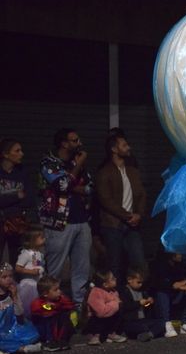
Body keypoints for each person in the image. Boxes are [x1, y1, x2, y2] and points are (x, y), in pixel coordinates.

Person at [39, 128, 93, 306]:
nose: (80, 143)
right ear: (64, 143)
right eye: (75, 140)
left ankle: (79, 310)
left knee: (82, 269)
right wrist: (77, 169)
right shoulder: (49, 163)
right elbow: (61, 185)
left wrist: (74, 181)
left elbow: (90, 187)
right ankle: (50, 309)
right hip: (59, 222)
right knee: (54, 269)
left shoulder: (76, 163)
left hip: (81, 220)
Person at [96, 131, 147, 282]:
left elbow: (142, 194)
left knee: (138, 261)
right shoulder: (105, 172)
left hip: (132, 225)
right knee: (115, 264)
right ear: (114, 149)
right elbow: (106, 200)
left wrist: (139, 214)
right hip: (113, 225)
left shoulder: (132, 171)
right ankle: (115, 299)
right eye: (124, 145)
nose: (128, 147)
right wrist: (127, 215)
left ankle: (138, 297)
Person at [0, 138, 35, 264]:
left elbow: (29, 199)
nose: (22, 154)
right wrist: (16, 196)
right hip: (2, 220)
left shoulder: (22, 172)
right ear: (5, 154)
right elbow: (20, 196)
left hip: (17, 222)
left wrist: (6, 201)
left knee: (17, 259)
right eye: (17, 151)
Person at [150, 251, 186, 337]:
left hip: (177, 296)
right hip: (164, 299)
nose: (182, 255)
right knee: (161, 293)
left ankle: (185, 322)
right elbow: (157, 283)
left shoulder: (181, 265)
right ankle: (166, 324)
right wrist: (173, 285)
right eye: (179, 253)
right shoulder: (158, 266)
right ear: (172, 255)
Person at [0, 263, 40, 354]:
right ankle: (23, 349)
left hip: (11, 326)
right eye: (4, 277)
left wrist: (14, 296)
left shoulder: (12, 292)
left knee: (31, 334)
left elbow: (19, 313)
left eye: (10, 276)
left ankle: (20, 346)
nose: (8, 279)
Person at [119, 267, 165, 342]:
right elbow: (125, 307)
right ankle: (149, 333)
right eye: (138, 282)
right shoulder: (125, 292)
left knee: (161, 323)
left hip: (142, 320)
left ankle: (148, 335)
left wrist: (148, 303)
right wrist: (139, 303)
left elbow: (145, 307)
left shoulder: (142, 291)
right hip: (131, 321)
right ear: (129, 280)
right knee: (143, 327)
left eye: (141, 282)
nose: (140, 285)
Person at [30, 275, 75, 351]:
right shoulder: (38, 302)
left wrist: (60, 303)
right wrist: (50, 306)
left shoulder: (60, 300)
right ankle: (49, 342)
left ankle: (61, 340)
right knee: (50, 317)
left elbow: (70, 306)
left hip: (56, 326)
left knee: (64, 316)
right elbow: (37, 309)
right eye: (56, 290)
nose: (59, 291)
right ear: (45, 293)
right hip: (43, 328)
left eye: (59, 289)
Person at [83, 270, 127, 345]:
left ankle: (110, 333)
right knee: (97, 319)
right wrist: (116, 304)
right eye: (113, 279)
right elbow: (101, 312)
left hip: (108, 317)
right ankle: (95, 335)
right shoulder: (96, 293)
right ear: (105, 284)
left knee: (118, 311)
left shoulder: (112, 291)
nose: (116, 279)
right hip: (96, 319)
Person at [15, 225, 46, 318]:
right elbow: (17, 267)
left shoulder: (39, 254)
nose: (44, 239)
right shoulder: (26, 254)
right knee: (27, 306)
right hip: (28, 285)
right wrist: (31, 272)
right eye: (41, 237)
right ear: (33, 239)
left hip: (36, 283)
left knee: (36, 306)